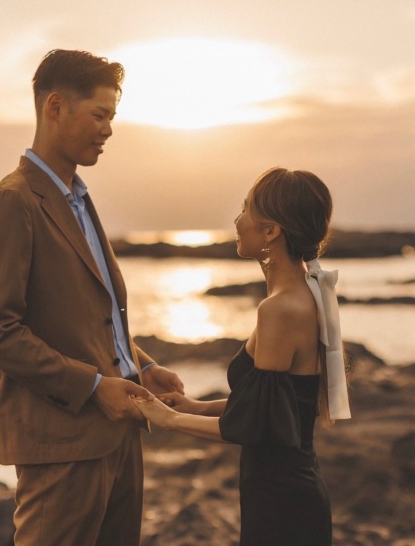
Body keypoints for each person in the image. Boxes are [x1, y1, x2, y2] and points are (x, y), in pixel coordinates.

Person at [0, 49, 184, 546]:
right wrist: (92, 387)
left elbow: (90, 315)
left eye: (112, 117)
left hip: (120, 435)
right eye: (100, 115)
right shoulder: (13, 202)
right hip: (61, 442)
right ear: (55, 107)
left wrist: (141, 365)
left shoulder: (79, 199)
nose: (108, 129)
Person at [133, 167, 351, 546]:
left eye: (246, 209)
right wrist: (195, 407)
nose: (237, 220)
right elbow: (274, 406)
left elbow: (252, 427)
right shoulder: (305, 294)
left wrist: (166, 418)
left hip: (281, 503)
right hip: (288, 492)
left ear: (271, 231)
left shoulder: (280, 309)